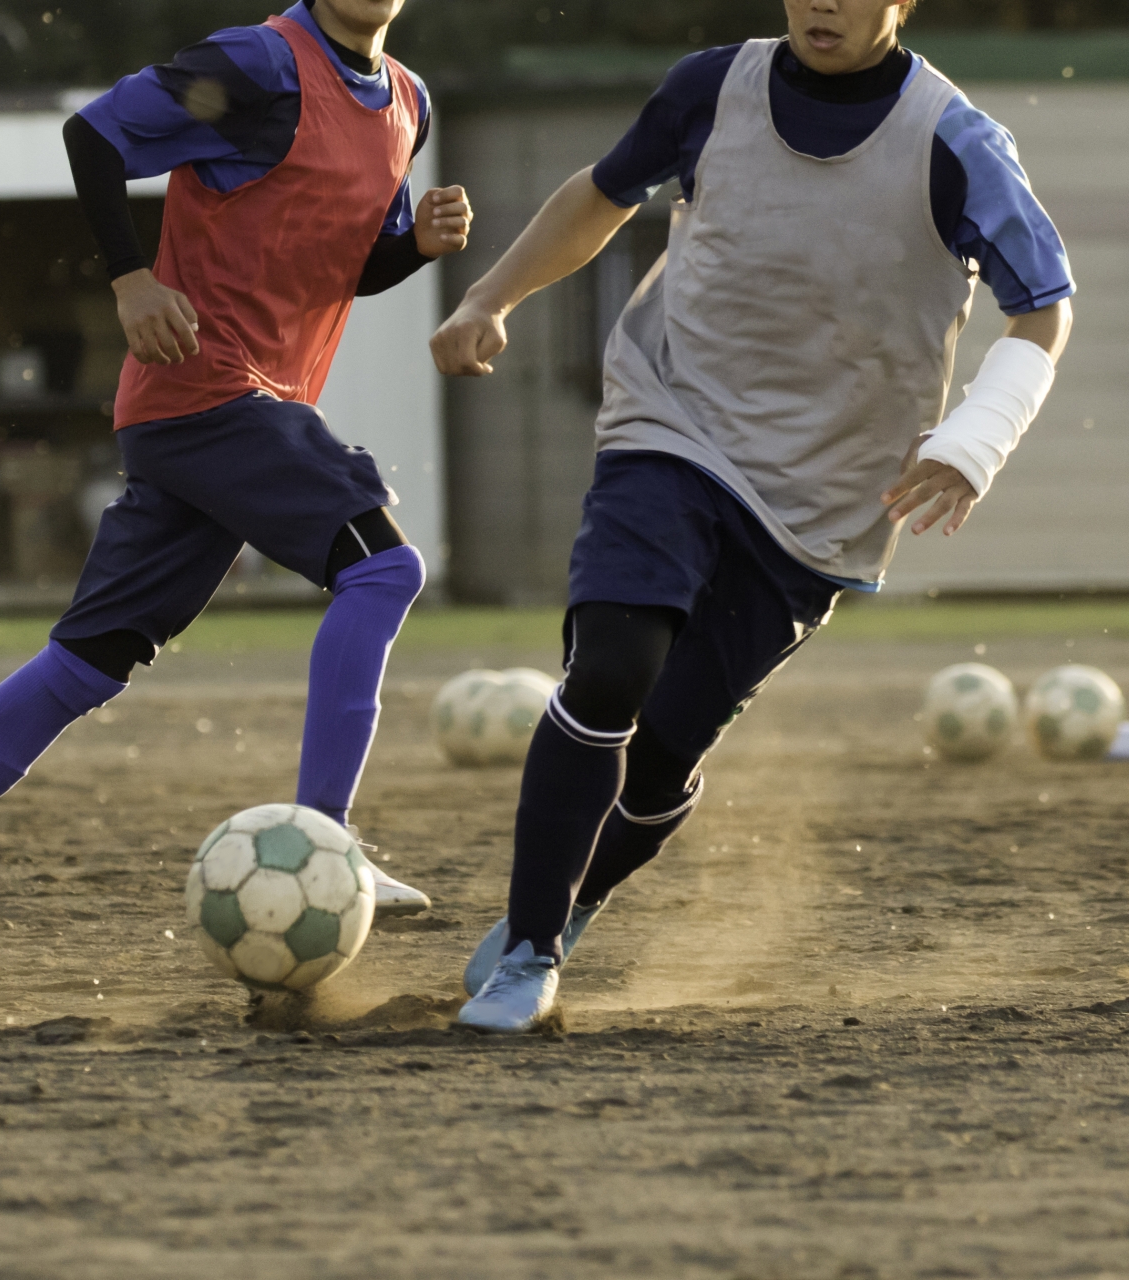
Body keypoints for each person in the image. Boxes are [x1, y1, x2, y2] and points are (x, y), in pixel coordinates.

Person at [431, 0, 1073, 1031]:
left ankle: (576, 897)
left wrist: (973, 438)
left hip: (823, 494)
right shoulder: (708, 90)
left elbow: (1043, 306)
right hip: (671, 418)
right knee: (609, 667)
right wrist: (486, 299)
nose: (823, 3)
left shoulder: (954, 141)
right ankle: (528, 948)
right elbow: (602, 195)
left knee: (664, 751)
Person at [0, 0, 471, 983]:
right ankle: (327, 842)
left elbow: (352, 265)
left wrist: (415, 244)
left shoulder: (408, 102)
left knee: (89, 663)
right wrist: (129, 278)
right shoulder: (258, 63)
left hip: (218, 416)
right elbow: (94, 134)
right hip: (206, 393)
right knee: (383, 567)